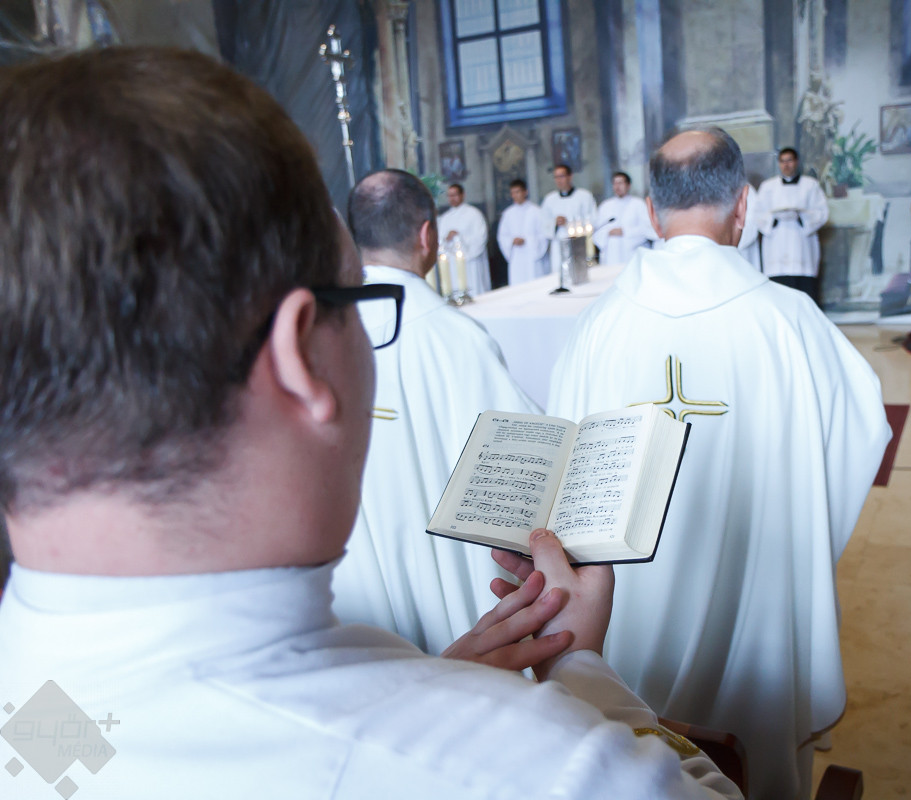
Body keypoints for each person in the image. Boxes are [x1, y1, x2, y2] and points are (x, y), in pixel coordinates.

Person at [0, 47, 742, 800]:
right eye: (361, 302)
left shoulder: (30, 715)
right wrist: (577, 671)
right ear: (300, 359)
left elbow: (102, 759)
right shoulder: (545, 773)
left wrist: (425, 692)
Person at [547, 127, 890, 800]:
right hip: (762, 622)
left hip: (628, 626)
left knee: (634, 749)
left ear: (651, 212)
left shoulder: (597, 328)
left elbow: (565, 475)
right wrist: (799, 549)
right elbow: (860, 435)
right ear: (743, 204)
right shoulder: (790, 320)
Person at [334, 169, 539, 654]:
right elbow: (527, 456)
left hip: (354, 600)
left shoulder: (323, 333)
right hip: (453, 590)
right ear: (427, 235)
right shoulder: (455, 337)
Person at [756, 146, 830, 302]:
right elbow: (758, 214)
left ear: (796, 162)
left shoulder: (811, 185)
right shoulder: (768, 187)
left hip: (802, 247)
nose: (786, 165)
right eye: (782, 161)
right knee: (780, 295)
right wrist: (774, 219)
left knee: (805, 294)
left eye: (789, 161)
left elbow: (821, 212)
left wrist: (801, 217)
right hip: (776, 247)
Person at [437, 182, 491, 295]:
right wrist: (447, 238)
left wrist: (459, 237)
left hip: (471, 261)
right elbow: (440, 241)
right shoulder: (445, 218)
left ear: (462, 195)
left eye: (455, 195)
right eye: (449, 195)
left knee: (474, 290)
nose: (452, 198)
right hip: (453, 263)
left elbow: (480, 237)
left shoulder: (474, 214)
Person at [542, 163, 597, 268]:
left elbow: (592, 220)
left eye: (561, 176)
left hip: (579, 243)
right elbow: (544, 223)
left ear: (570, 176)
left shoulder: (584, 196)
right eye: (556, 177)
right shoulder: (549, 200)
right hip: (558, 244)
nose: (559, 180)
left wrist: (570, 223)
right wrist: (555, 223)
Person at [593, 171, 654, 265]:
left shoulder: (638, 204)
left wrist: (625, 231)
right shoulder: (605, 206)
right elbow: (597, 231)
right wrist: (608, 232)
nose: (617, 187)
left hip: (632, 255)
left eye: (620, 183)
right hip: (611, 257)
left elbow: (648, 229)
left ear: (628, 185)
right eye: (615, 183)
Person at [497, 178, 550, 285]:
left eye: (517, 192)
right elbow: (502, 236)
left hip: (533, 256)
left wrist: (528, 240)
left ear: (525, 192)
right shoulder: (508, 214)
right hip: (517, 257)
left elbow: (544, 233)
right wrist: (512, 241)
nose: (515, 196)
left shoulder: (537, 211)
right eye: (512, 193)